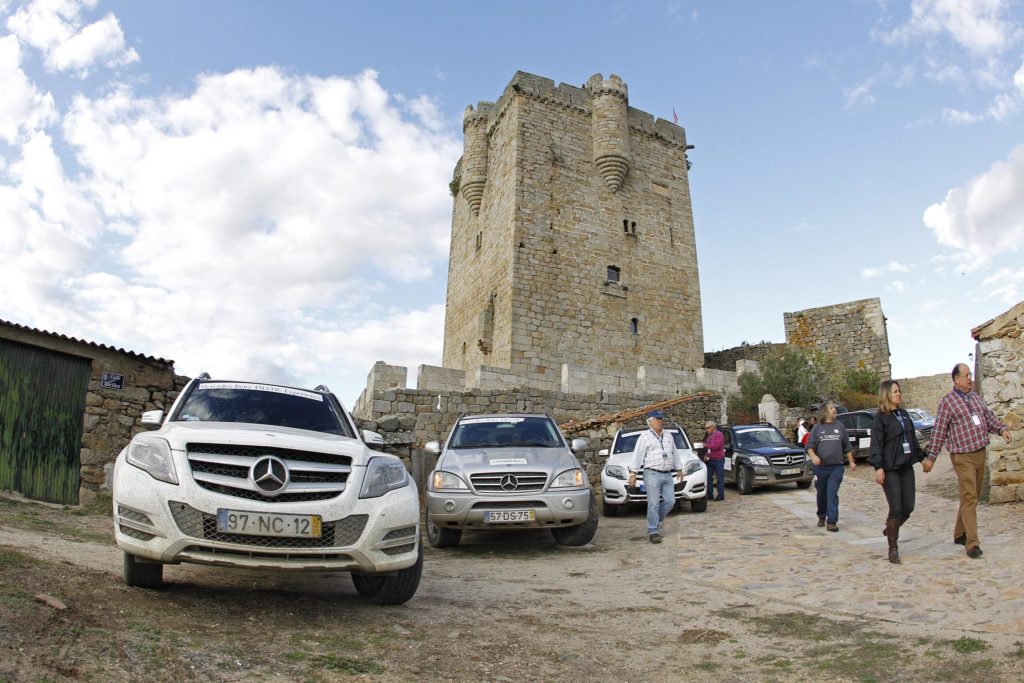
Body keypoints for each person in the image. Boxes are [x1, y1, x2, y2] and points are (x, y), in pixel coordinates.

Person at [924, 363, 1012, 559]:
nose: (970, 378)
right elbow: (939, 431)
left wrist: (1002, 429)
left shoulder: (975, 397)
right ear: (956, 379)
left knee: (971, 496)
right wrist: (931, 458)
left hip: (980, 452)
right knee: (970, 496)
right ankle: (972, 543)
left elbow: (988, 417)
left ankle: (959, 533)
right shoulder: (947, 402)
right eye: (966, 375)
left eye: (970, 375)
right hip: (962, 456)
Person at [868, 380, 924, 564]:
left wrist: (922, 458)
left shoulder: (904, 414)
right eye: (895, 391)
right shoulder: (880, 418)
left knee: (908, 508)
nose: (899, 394)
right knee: (896, 508)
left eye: (899, 391)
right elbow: (876, 445)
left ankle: (891, 529)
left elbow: (912, 440)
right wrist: (878, 467)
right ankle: (893, 548)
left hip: (906, 467)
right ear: (886, 395)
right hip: (890, 468)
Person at [628, 410, 683, 544]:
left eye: (661, 418)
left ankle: (656, 520)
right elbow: (637, 455)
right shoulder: (644, 437)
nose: (660, 421)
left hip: (667, 474)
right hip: (652, 473)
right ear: (650, 422)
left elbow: (674, 452)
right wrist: (633, 474)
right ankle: (653, 531)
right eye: (657, 419)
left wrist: (679, 468)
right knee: (653, 504)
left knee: (671, 501)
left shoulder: (668, 435)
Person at [806, 401, 855, 532]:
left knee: (832, 493)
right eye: (831, 408)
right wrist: (814, 456)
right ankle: (821, 515)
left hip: (836, 467)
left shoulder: (840, 427)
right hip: (821, 468)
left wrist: (851, 461)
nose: (834, 410)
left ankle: (832, 521)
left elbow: (847, 446)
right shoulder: (817, 428)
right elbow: (809, 446)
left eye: (834, 407)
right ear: (825, 411)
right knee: (821, 493)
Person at [703, 421, 726, 501]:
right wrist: (706, 455)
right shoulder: (709, 436)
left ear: (712, 427)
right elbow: (708, 448)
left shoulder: (719, 434)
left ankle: (720, 495)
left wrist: (706, 445)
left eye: (707, 428)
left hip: (718, 459)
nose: (706, 429)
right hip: (710, 459)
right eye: (706, 428)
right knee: (708, 477)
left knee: (720, 477)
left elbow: (715, 446)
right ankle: (710, 494)